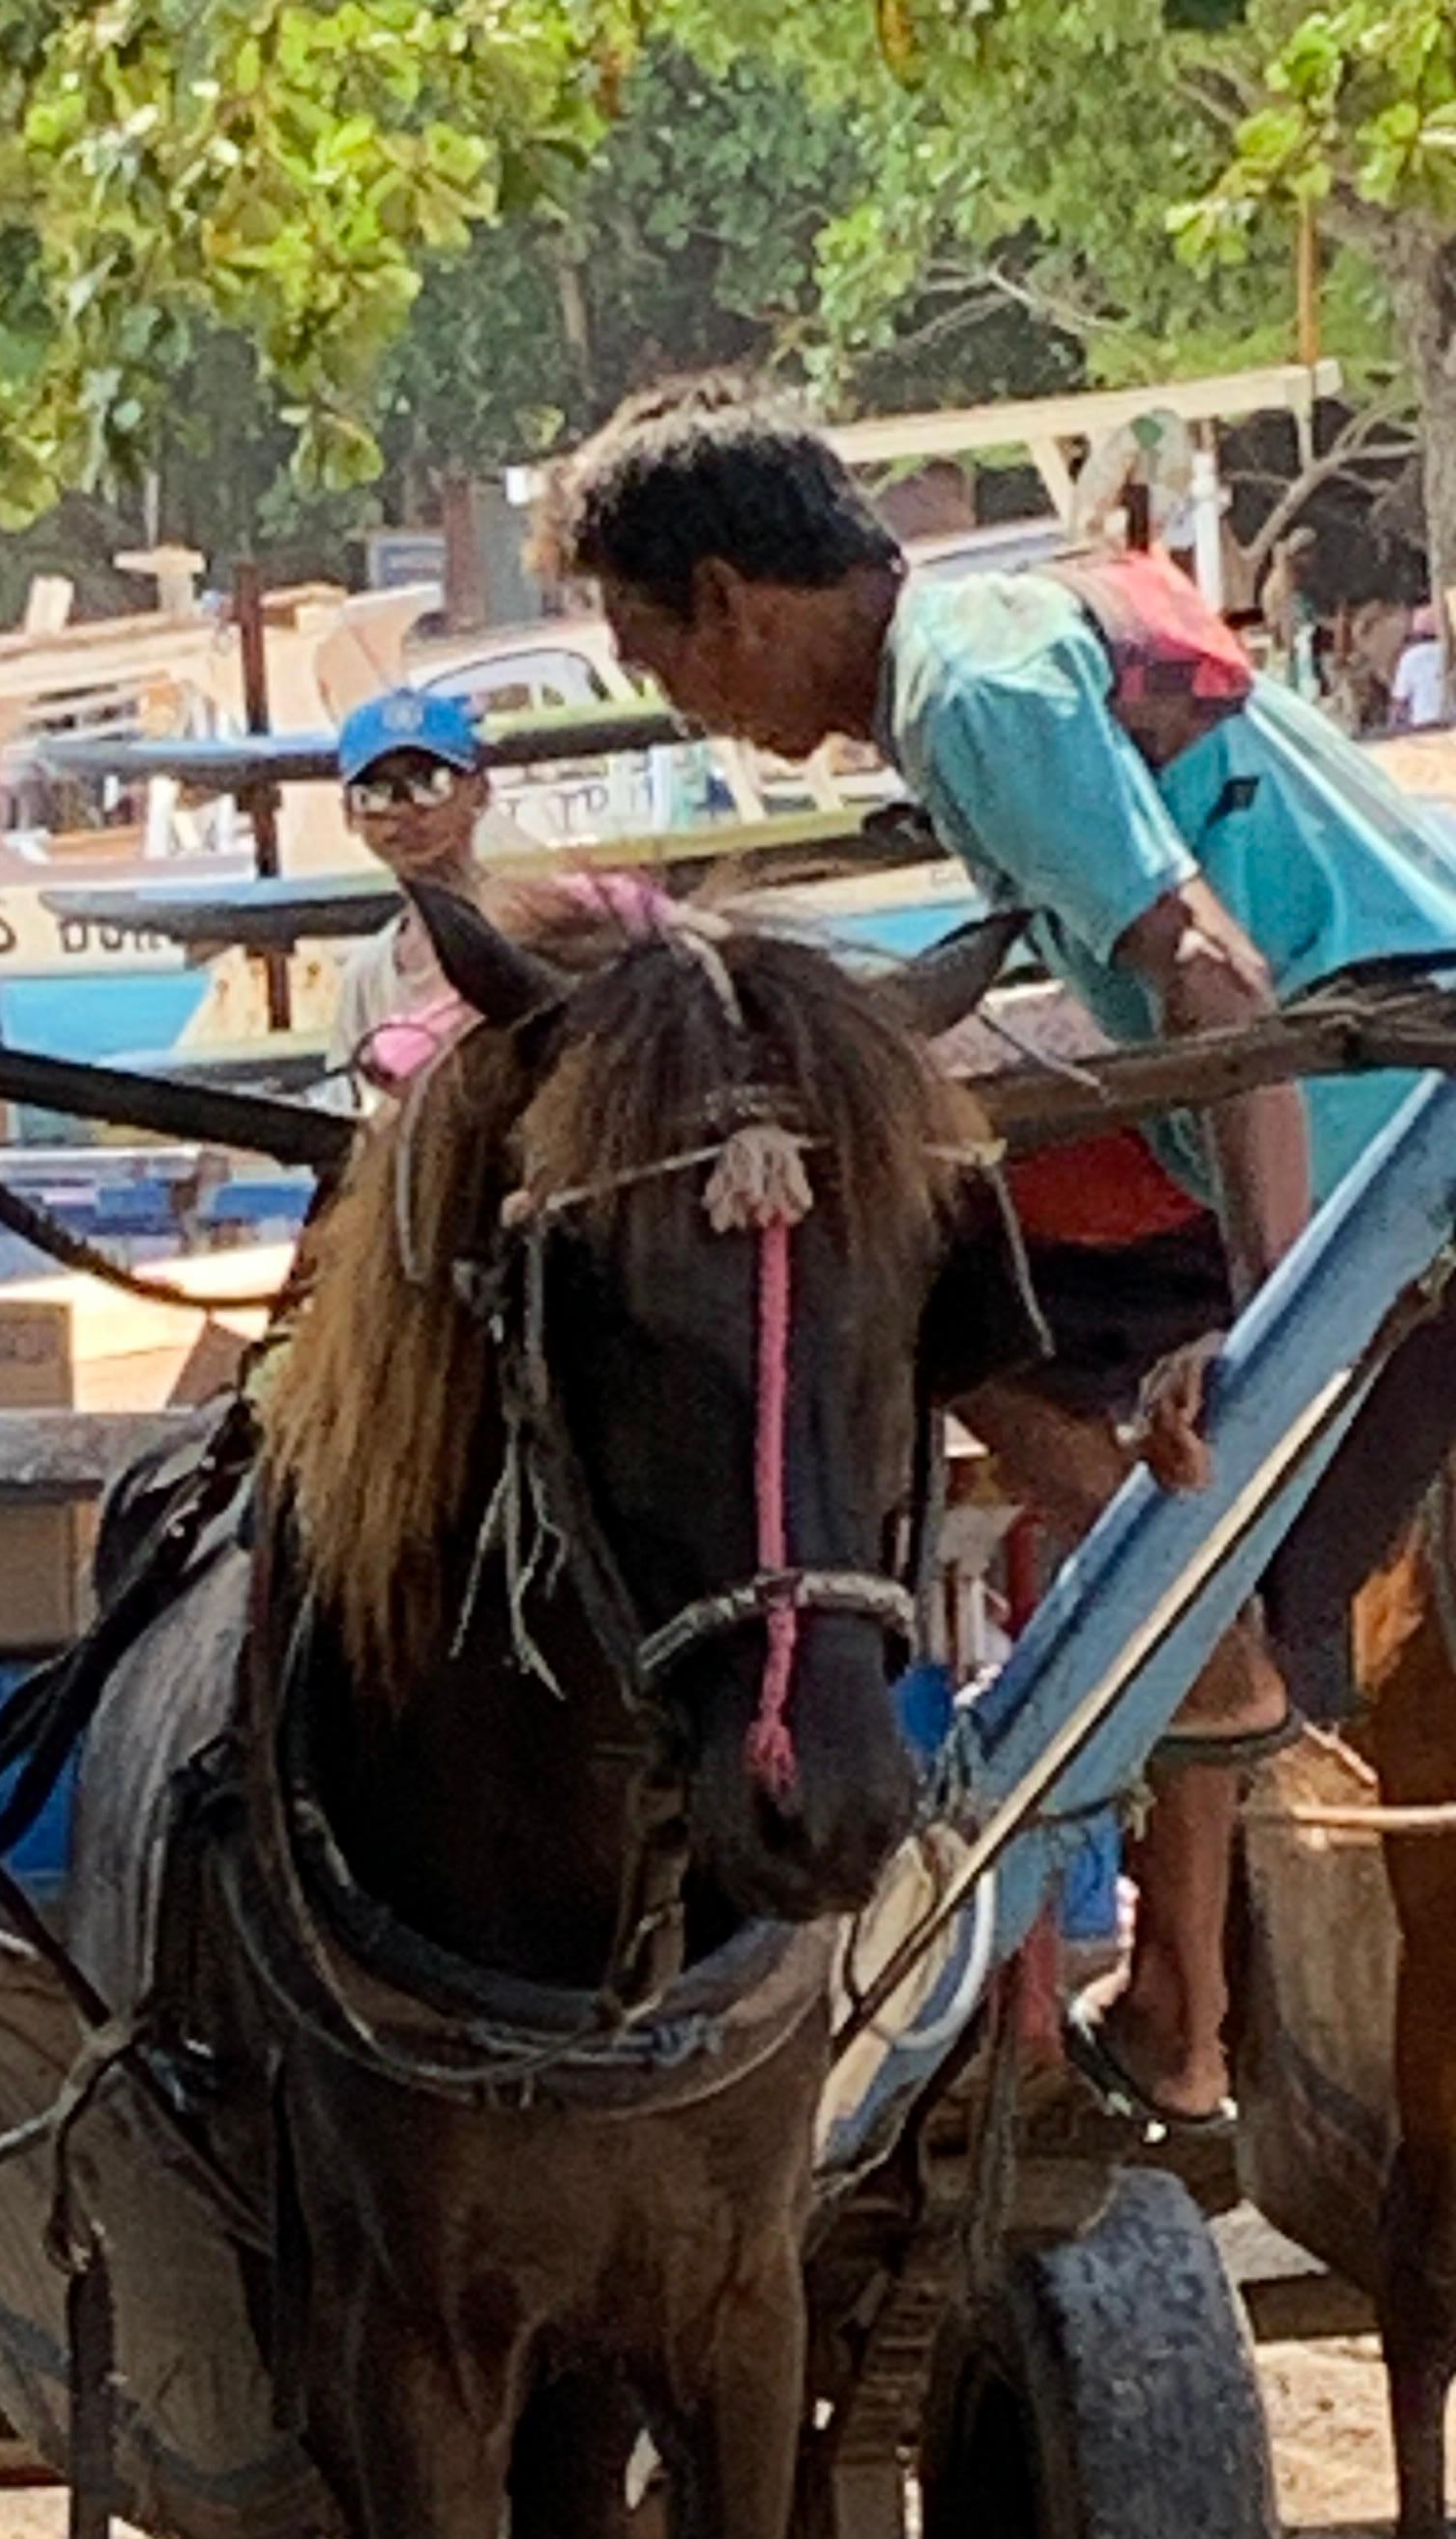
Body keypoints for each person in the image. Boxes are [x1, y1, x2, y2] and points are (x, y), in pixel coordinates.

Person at [546, 376, 1456, 2137]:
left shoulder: (963, 698)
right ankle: (1178, 1968)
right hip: (1368, 1100)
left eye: (666, 665)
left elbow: (1213, 979)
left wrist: (1261, 1352)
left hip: (1396, 1139)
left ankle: (1185, 1932)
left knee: (965, 1348)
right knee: (990, 1307)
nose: (689, 706)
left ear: (729, 597)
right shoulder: (999, 626)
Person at [326, 685, 532, 1094]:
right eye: (376, 795)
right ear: (350, 814)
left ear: (479, 790)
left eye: (430, 783)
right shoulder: (368, 974)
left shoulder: (538, 926)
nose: (403, 811)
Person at [1393, 602, 1448, 734]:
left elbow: (1400, 699)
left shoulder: (1409, 657)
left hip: (1423, 725)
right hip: (1450, 723)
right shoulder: (1449, 654)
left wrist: (1394, 724)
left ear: (1416, 633)